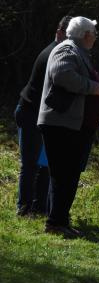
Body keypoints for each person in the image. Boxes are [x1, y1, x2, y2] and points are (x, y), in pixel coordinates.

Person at [38, 16, 99, 238]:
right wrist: (92, 87)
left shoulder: (78, 51)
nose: (95, 38)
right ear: (86, 35)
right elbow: (62, 75)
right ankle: (55, 223)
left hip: (72, 124)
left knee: (69, 174)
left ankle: (60, 221)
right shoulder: (67, 49)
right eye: (94, 34)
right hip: (60, 123)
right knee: (62, 174)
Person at [15, 15, 71, 216]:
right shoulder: (51, 55)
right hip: (30, 113)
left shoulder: (62, 54)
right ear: (59, 33)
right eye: (69, 35)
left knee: (45, 164)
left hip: (44, 116)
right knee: (30, 164)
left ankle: (40, 207)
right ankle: (24, 208)